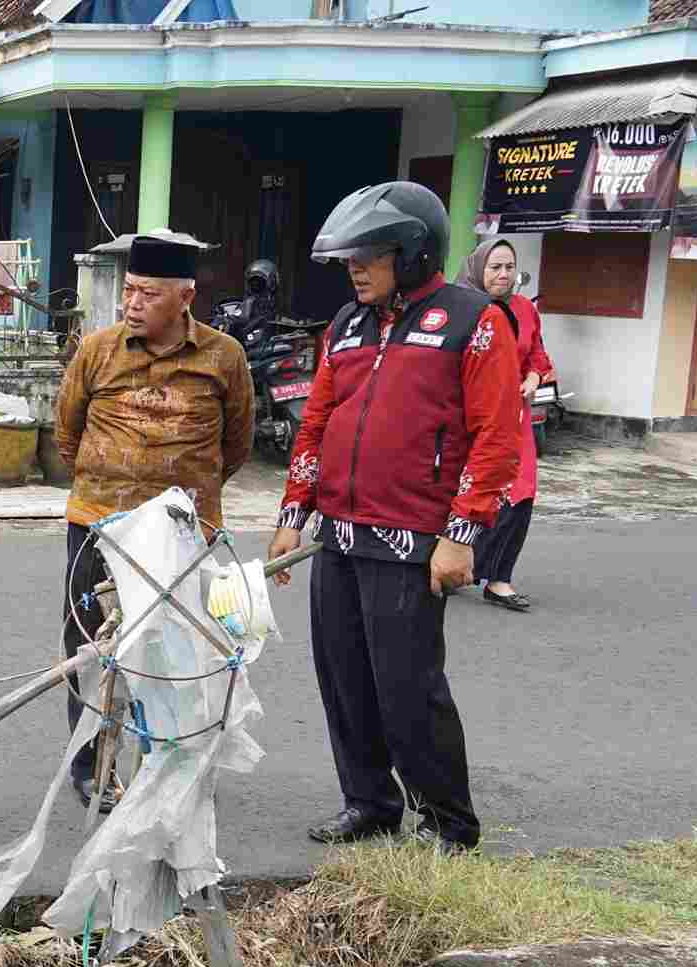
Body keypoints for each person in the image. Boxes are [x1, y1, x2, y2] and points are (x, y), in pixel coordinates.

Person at [268, 182, 520, 854]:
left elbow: (497, 436)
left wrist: (461, 536)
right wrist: (296, 511)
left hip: (413, 542)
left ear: (409, 252)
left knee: (409, 690)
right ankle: (371, 804)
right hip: (339, 538)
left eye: (367, 255)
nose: (354, 268)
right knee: (345, 682)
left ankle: (449, 823)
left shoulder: (474, 320)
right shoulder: (347, 325)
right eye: (348, 257)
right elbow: (316, 422)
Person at [53, 233, 253, 809]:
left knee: (173, 650)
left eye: (147, 293)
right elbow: (68, 433)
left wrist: (183, 495)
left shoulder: (223, 357)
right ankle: (93, 766)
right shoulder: (97, 350)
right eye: (129, 290)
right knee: (93, 648)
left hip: (180, 536)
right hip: (98, 526)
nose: (131, 303)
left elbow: (234, 445)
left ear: (185, 297)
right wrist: (113, 482)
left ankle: (168, 761)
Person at [460, 238, 549, 612]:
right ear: (479, 269)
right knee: (466, 493)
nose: (503, 274)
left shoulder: (526, 309)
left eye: (509, 267)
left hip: (515, 420)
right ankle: (452, 566)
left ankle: (498, 578)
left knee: (519, 495)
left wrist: (533, 378)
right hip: (471, 421)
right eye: (495, 267)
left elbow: (539, 356)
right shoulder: (464, 309)